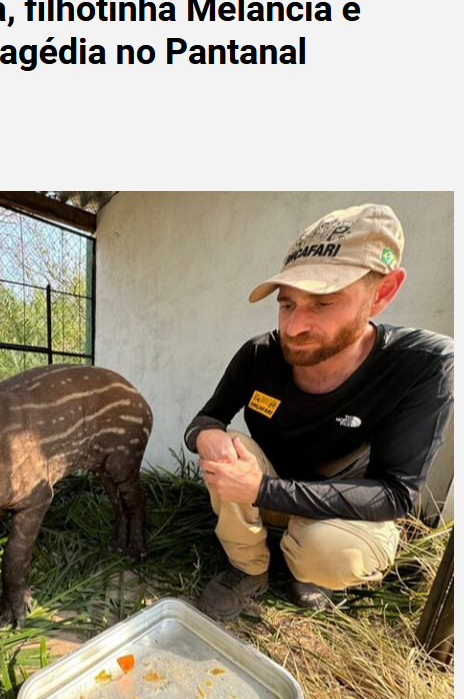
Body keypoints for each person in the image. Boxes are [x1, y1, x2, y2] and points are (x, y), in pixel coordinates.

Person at [184, 203, 453, 622]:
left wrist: (261, 492)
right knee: (227, 449)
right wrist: (208, 437)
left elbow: (396, 495)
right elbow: (205, 420)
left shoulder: (423, 364)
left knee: (324, 549)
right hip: (271, 489)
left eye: (323, 302)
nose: (293, 328)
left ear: (381, 293)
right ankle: (248, 569)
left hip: (347, 509)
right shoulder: (259, 354)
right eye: (287, 304)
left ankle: (310, 573)